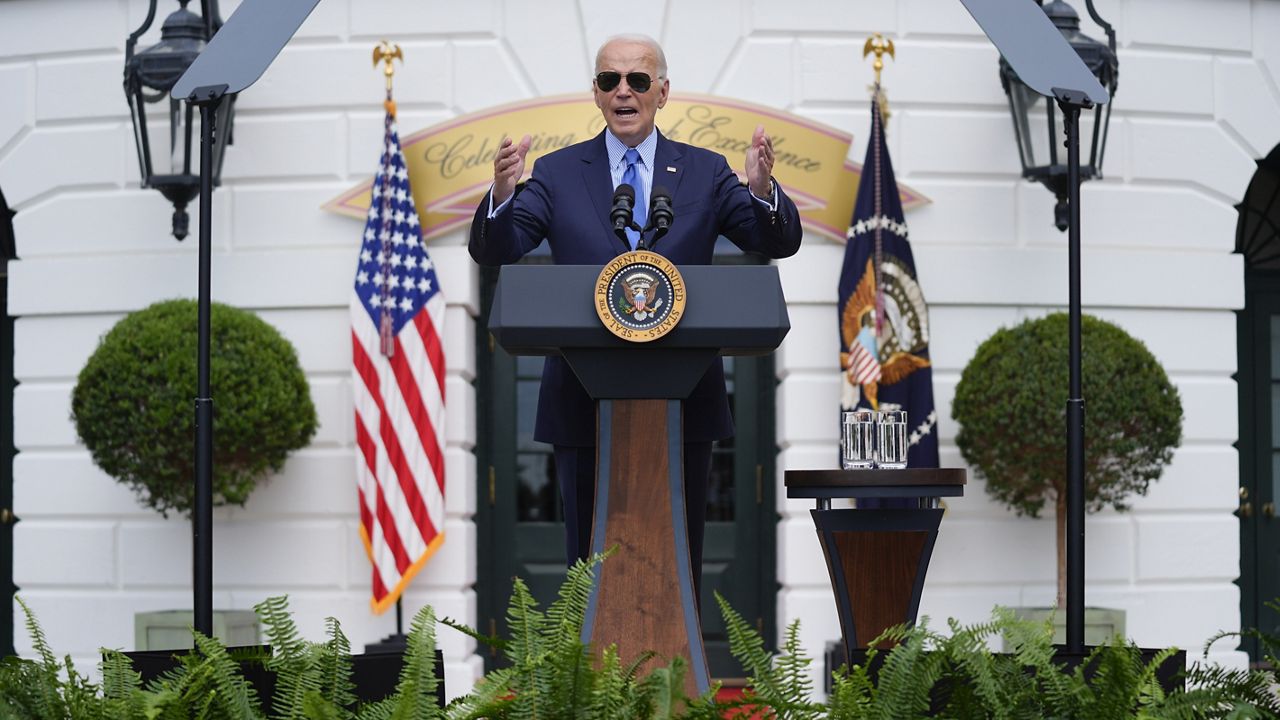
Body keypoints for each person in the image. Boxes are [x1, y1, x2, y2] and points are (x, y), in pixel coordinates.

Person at [469, 34, 803, 589]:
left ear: (663, 92)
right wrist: (502, 193)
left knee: (678, 568)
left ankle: (677, 676)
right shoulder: (556, 173)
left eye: (638, 80)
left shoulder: (704, 171)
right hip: (581, 402)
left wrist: (762, 189)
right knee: (588, 571)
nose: (624, 91)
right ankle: (591, 678)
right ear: (596, 94)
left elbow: (776, 238)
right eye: (610, 80)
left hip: (683, 402)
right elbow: (497, 248)